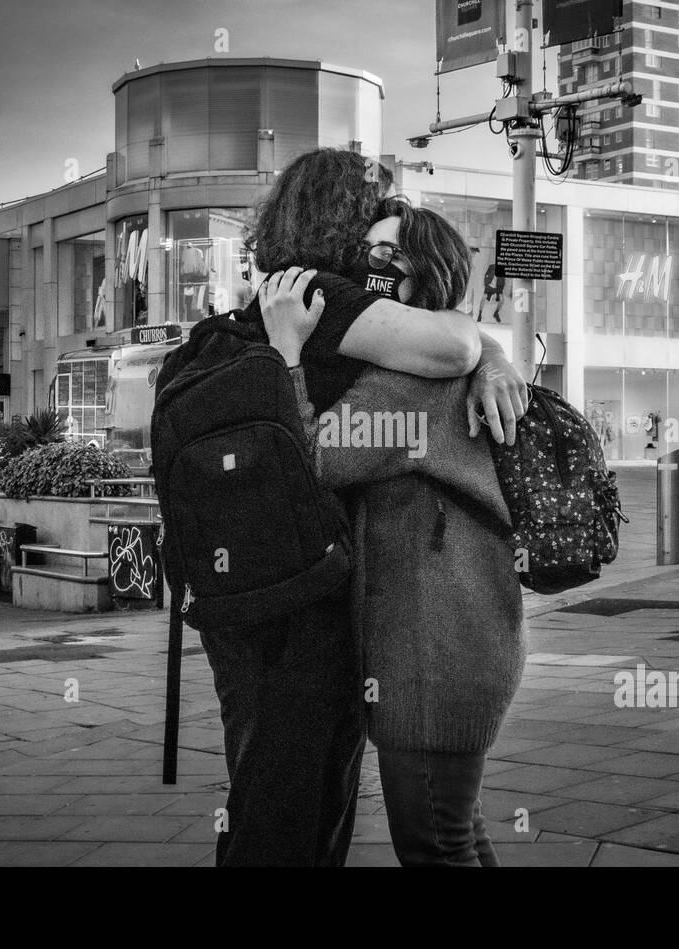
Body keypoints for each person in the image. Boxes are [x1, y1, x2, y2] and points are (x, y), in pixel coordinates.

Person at [186, 147, 526, 867]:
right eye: (369, 240)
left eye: (389, 252)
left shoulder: (290, 318)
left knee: (425, 832)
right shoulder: (334, 308)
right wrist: (490, 347)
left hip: (412, 644)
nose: (374, 262)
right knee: (445, 831)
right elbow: (454, 341)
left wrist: (286, 356)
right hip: (421, 638)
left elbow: (315, 452)